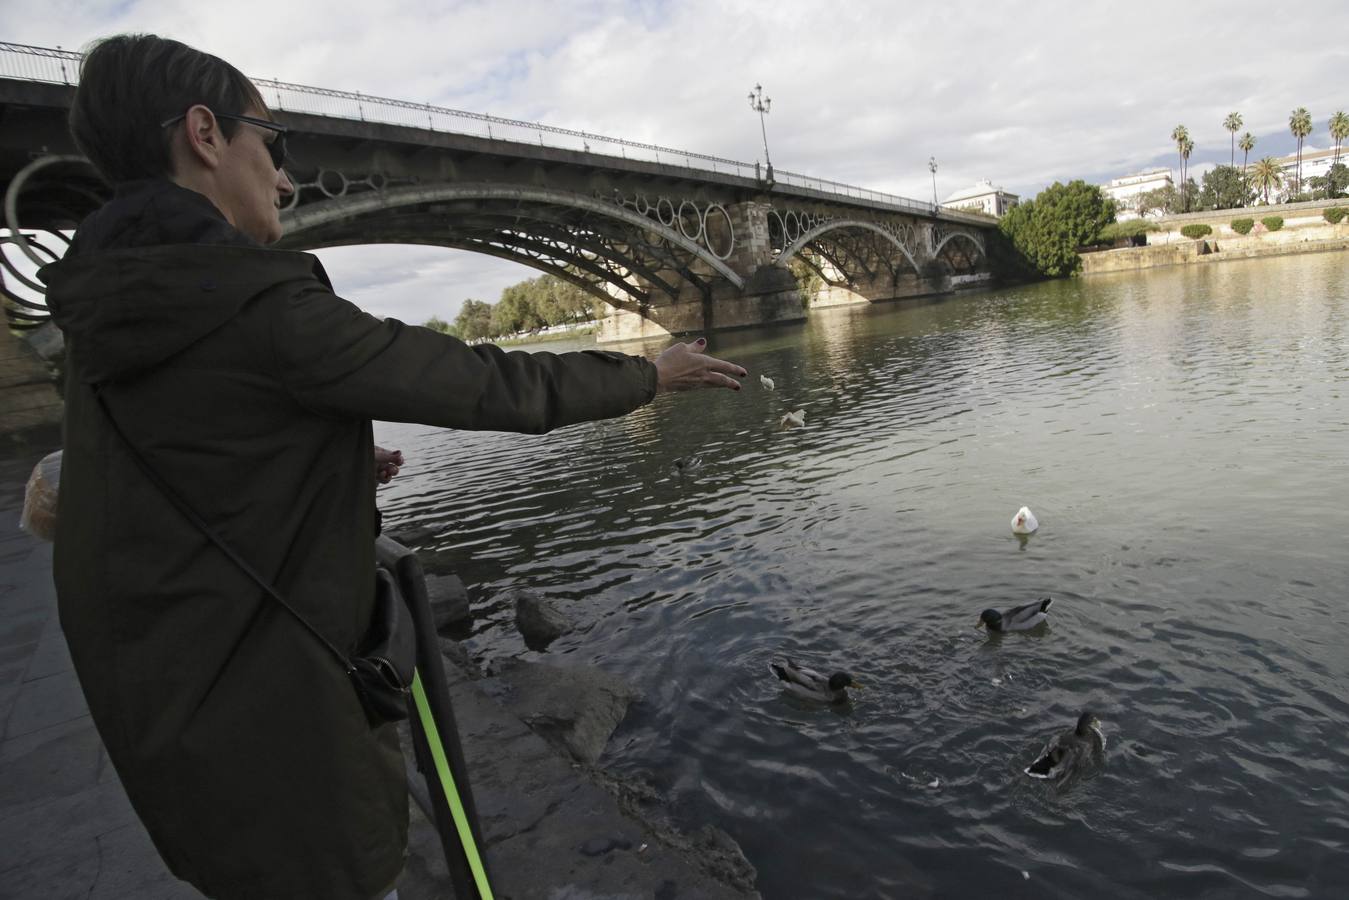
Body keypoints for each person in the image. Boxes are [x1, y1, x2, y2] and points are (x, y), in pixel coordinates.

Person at [40, 33, 747, 900]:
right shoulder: (251, 304)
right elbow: (476, 383)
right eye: (275, 141)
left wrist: (315, 450)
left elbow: (178, 454)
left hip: (171, 728)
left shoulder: (100, 314)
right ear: (205, 134)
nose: (286, 177)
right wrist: (647, 373)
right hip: (287, 737)